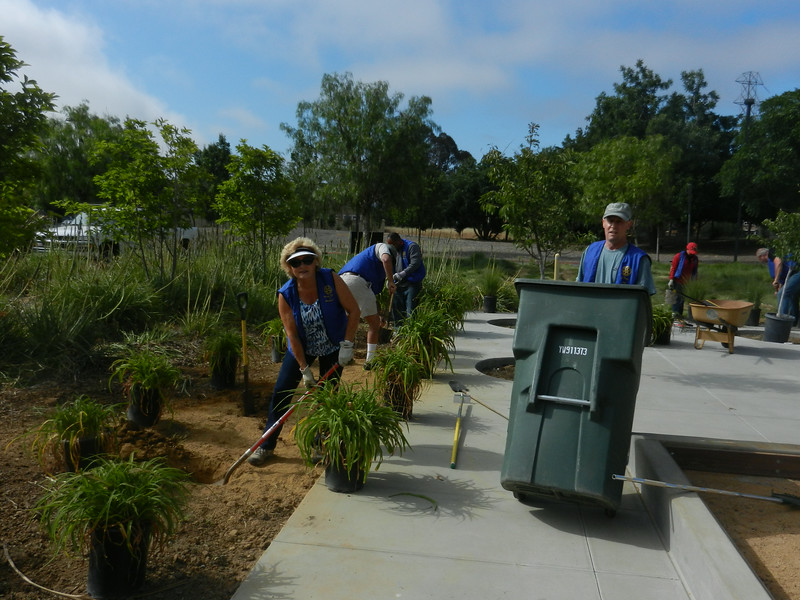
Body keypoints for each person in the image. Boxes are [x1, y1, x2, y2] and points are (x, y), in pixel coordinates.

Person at [248, 238, 360, 467]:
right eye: (295, 262)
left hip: (333, 346)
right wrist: (303, 369)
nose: (302, 265)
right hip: (302, 348)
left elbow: (354, 310)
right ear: (289, 267)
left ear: (316, 261)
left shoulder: (330, 279)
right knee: (281, 392)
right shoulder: (286, 294)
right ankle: (266, 445)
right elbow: (292, 335)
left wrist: (347, 345)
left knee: (327, 395)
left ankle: (320, 443)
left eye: (307, 259)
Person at [338, 238, 398, 366]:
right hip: (356, 281)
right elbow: (386, 259)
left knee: (347, 321)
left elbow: (370, 296)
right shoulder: (381, 247)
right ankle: (370, 361)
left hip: (341, 282)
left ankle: (343, 357)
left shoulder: (374, 270)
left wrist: (379, 314)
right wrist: (391, 281)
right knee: (373, 325)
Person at [576, 202, 656, 295]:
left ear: (628, 224)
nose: (613, 226)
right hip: (589, 309)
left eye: (619, 221)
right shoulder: (590, 251)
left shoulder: (639, 260)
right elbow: (579, 288)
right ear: (603, 223)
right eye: (610, 221)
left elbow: (642, 300)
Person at [386, 232, 426, 327]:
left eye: (393, 245)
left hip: (412, 283)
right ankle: (398, 331)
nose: (392, 247)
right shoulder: (393, 250)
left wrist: (402, 274)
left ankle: (410, 331)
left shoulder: (411, 247)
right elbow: (390, 263)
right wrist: (390, 279)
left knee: (410, 310)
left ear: (399, 242)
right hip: (398, 283)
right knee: (396, 309)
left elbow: (415, 263)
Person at [757, 247, 799, 325]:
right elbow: (783, 274)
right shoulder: (771, 260)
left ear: (762, 256)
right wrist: (778, 287)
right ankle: (793, 323)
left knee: (783, 294)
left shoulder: (772, 253)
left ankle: (782, 321)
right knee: (791, 296)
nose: (760, 260)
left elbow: (778, 262)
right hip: (792, 275)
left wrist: (776, 280)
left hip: (796, 272)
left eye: (759, 258)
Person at [668, 242, 699, 318]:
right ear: (687, 249)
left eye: (694, 253)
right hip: (678, 281)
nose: (692, 254)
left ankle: (681, 316)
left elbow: (695, 271)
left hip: (688, 282)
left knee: (683, 300)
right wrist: (671, 279)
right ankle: (675, 315)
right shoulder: (678, 256)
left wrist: (694, 281)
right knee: (676, 300)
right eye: (691, 252)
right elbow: (673, 268)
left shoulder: (695, 259)